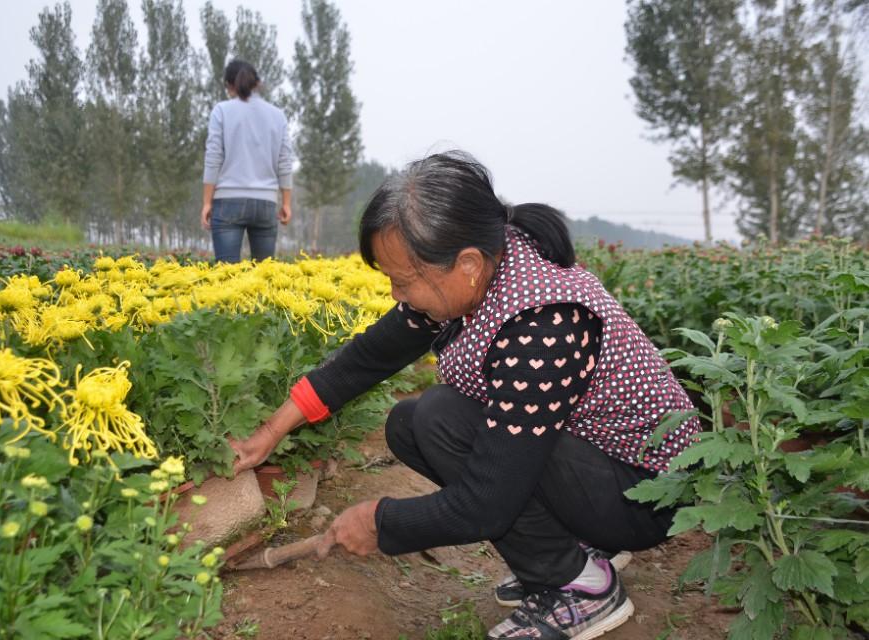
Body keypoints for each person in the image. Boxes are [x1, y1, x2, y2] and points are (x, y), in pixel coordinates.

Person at [230, 151, 700, 639]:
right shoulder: (479, 267)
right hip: (592, 465)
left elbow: (487, 504)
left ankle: (580, 586)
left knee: (440, 417)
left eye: (403, 281)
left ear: (467, 264)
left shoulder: (542, 322)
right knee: (412, 424)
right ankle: (572, 549)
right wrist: (270, 432)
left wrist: (381, 522)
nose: (395, 294)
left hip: (644, 494)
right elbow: (371, 355)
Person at [201, 59, 293, 263]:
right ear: (257, 83)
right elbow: (285, 161)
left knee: (227, 277)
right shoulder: (277, 116)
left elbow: (213, 158)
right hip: (266, 203)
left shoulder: (222, 111)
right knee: (263, 277)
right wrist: (286, 202)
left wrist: (207, 202)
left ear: (229, 86)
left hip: (227, 201)